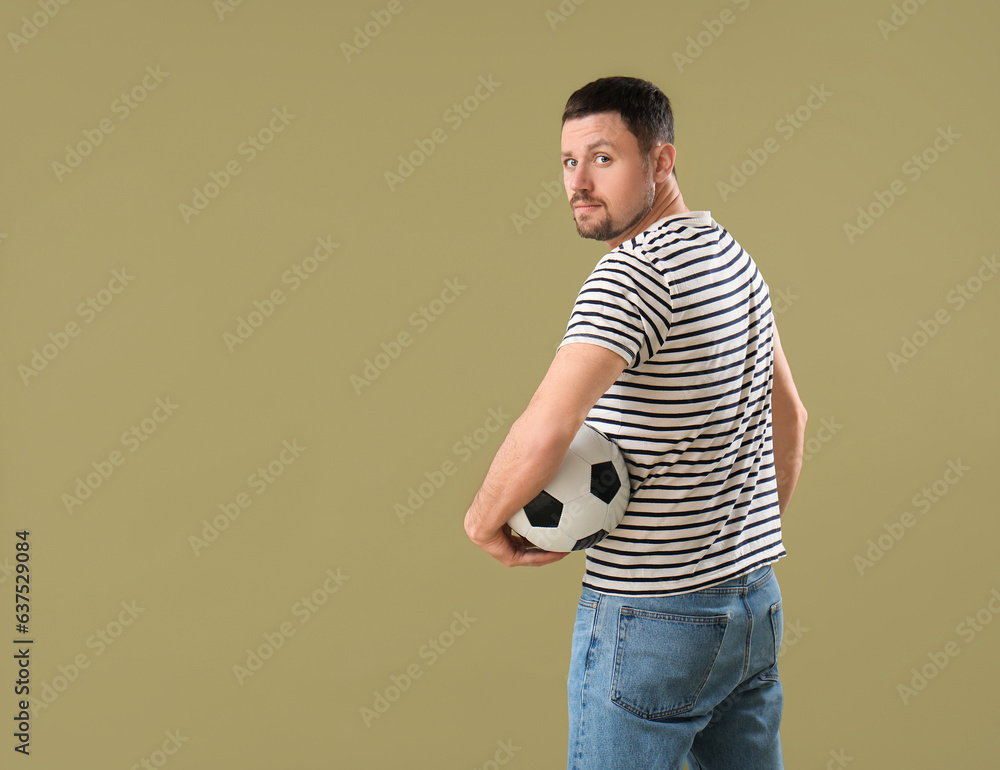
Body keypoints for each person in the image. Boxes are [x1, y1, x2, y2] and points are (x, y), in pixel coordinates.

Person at [463, 76, 808, 769]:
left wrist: (480, 521)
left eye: (603, 158)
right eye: (568, 162)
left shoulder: (631, 277)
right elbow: (791, 414)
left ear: (661, 161)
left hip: (651, 620)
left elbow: (548, 426)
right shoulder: (734, 260)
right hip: (752, 607)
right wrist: (733, 548)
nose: (580, 182)